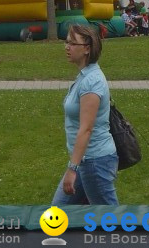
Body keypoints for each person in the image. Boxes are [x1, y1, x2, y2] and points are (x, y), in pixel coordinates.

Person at [51, 23, 118, 207]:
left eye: (72, 43)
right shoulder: (84, 76)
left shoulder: (92, 81)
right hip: (84, 160)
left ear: (87, 49)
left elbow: (86, 129)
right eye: (66, 42)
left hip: (95, 162)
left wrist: (72, 169)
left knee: (110, 221)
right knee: (57, 214)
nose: (67, 47)